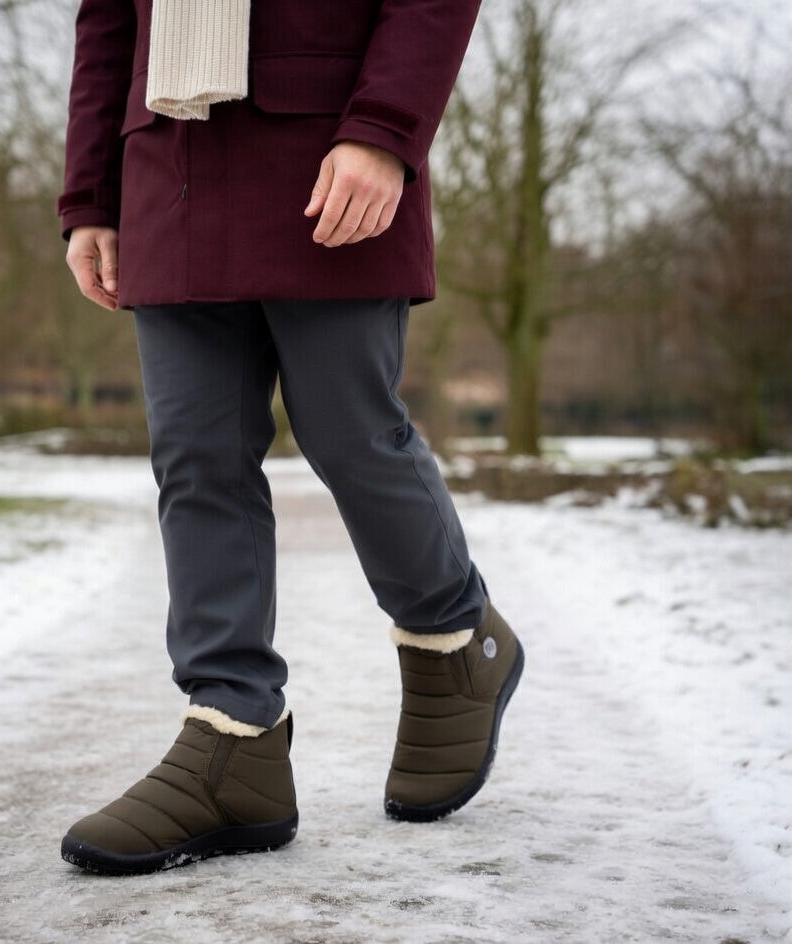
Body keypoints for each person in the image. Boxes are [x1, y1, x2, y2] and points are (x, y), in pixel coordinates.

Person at [57, 0, 524, 876]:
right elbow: (108, 18)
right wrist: (90, 194)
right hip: (168, 162)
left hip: (330, 154)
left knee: (349, 434)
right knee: (196, 458)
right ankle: (234, 733)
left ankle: (454, 640)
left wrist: (386, 130)